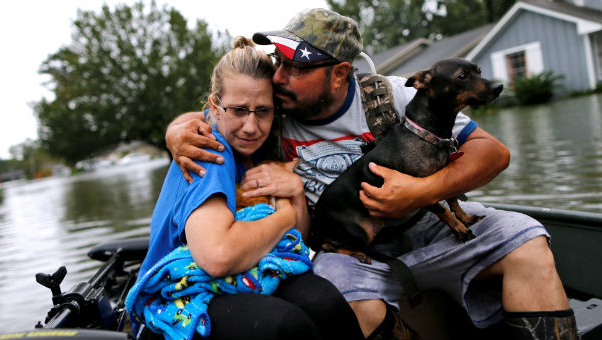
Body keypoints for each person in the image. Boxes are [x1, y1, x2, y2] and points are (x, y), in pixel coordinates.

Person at [164, 9, 577, 340]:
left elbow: (492, 153)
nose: (279, 77)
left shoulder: (396, 95)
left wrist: (420, 191)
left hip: (433, 229)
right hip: (349, 249)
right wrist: (177, 133)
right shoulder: (270, 108)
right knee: (330, 293)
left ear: (340, 73)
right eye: (278, 62)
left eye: (296, 67)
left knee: (527, 240)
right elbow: (212, 115)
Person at [128, 36, 364, 340]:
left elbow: (296, 243)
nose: (251, 126)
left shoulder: (262, 148)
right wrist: (284, 217)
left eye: (262, 111)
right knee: (286, 326)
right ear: (215, 107)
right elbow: (217, 256)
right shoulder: (209, 150)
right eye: (238, 110)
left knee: (326, 303)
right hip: (175, 297)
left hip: (246, 271)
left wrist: (294, 192)